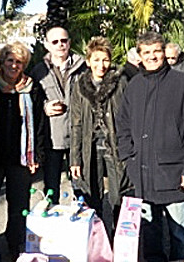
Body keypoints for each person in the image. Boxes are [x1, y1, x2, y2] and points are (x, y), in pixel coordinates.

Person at [116, 31, 184, 261]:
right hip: (143, 174)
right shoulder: (134, 85)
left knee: (179, 234)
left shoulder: (183, 83)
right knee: (151, 236)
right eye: (147, 52)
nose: (152, 56)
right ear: (139, 56)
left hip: (176, 175)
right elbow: (122, 125)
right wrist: (128, 158)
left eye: (156, 51)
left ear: (164, 52)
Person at [0, 41, 45, 260]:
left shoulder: (32, 88)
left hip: (21, 156)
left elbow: (38, 124)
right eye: (10, 60)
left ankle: (14, 244)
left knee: (18, 204)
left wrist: (35, 154)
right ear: (2, 61)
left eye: (19, 62)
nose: (14, 66)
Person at [70, 36, 131, 232]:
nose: (101, 65)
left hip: (115, 145)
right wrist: (75, 159)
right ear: (88, 61)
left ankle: (118, 238)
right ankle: (96, 237)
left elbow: (129, 116)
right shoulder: (80, 85)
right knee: (92, 195)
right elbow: (76, 124)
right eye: (96, 60)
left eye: (105, 59)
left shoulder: (120, 82)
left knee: (118, 196)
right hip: (91, 146)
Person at [30, 26, 86, 204]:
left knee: (81, 186)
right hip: (52, 138)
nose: (60, 45)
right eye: (55, 41)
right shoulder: (39, 71)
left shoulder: (83, 67)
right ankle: (52, 225)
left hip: (78, 137)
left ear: (69, 43)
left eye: (64, 40)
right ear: (47, 45)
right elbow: (32, 103)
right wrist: (45, 107)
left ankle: (84, 225)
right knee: (51, 188)